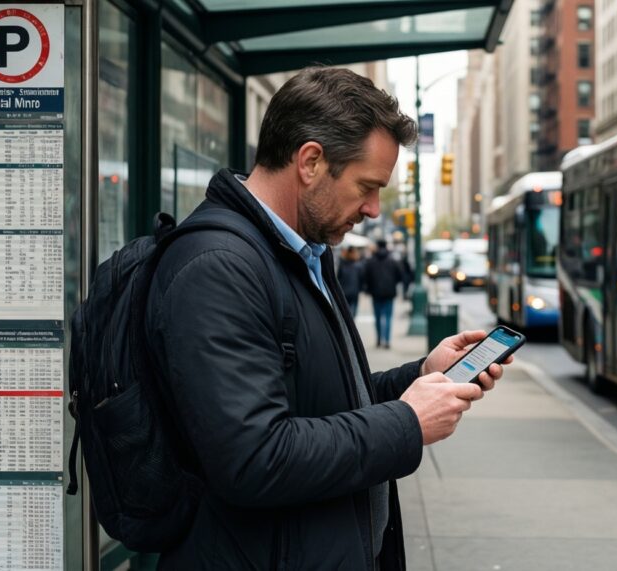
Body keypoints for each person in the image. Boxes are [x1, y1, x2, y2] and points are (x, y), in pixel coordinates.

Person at [145, 67, 512, 570]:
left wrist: (422, 377)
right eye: (367, 186)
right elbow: (254, 458)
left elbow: (321, 402)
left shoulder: (301, 253)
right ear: (311, 161)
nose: (374, 209)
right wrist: (407, 422)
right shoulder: (219, 268)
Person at [363, 238, 404, 348]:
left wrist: (369, 288)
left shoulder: (371, 261)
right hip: (389, 292)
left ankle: (379, 340)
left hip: (375, 293)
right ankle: (387, 341)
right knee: (388, 317)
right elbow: (400, 276)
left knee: (377, 317)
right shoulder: (392, 261)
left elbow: (366, 277)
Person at [337, 247, 364, 316]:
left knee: (346, 312)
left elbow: (338, 278)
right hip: (354, 292)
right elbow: (361, 279)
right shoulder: (358, 265)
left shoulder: (342, 264)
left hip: (344, 291)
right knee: (352, 313)